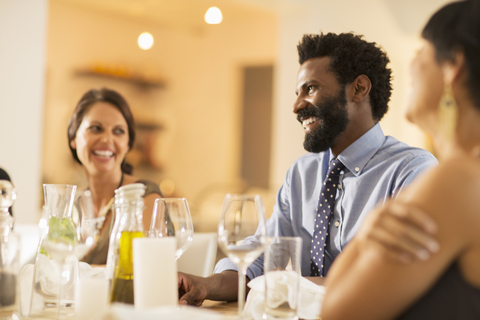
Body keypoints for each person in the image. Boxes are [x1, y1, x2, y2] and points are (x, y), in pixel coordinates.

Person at [177, 33, 438, 305]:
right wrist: (206, 285)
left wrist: (295, 285)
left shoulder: (412, 171)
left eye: (310, 89)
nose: (296, 106)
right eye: (298, 92)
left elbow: (398, 280)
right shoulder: (302, 174)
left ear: (359, 88)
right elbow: (259, 261)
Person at [321, 1, 480, 319]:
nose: (410, 63)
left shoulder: (457, 179)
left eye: (422, 49)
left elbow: (336, 312)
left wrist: (365, 236)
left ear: (454, 66)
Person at [67, 88, 163, 265]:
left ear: (128, 145)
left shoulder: (143, 197)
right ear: (74, 138)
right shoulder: (71, 205)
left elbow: (144, 272)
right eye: (96, 128)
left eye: (118, 131)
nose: (106, 139)